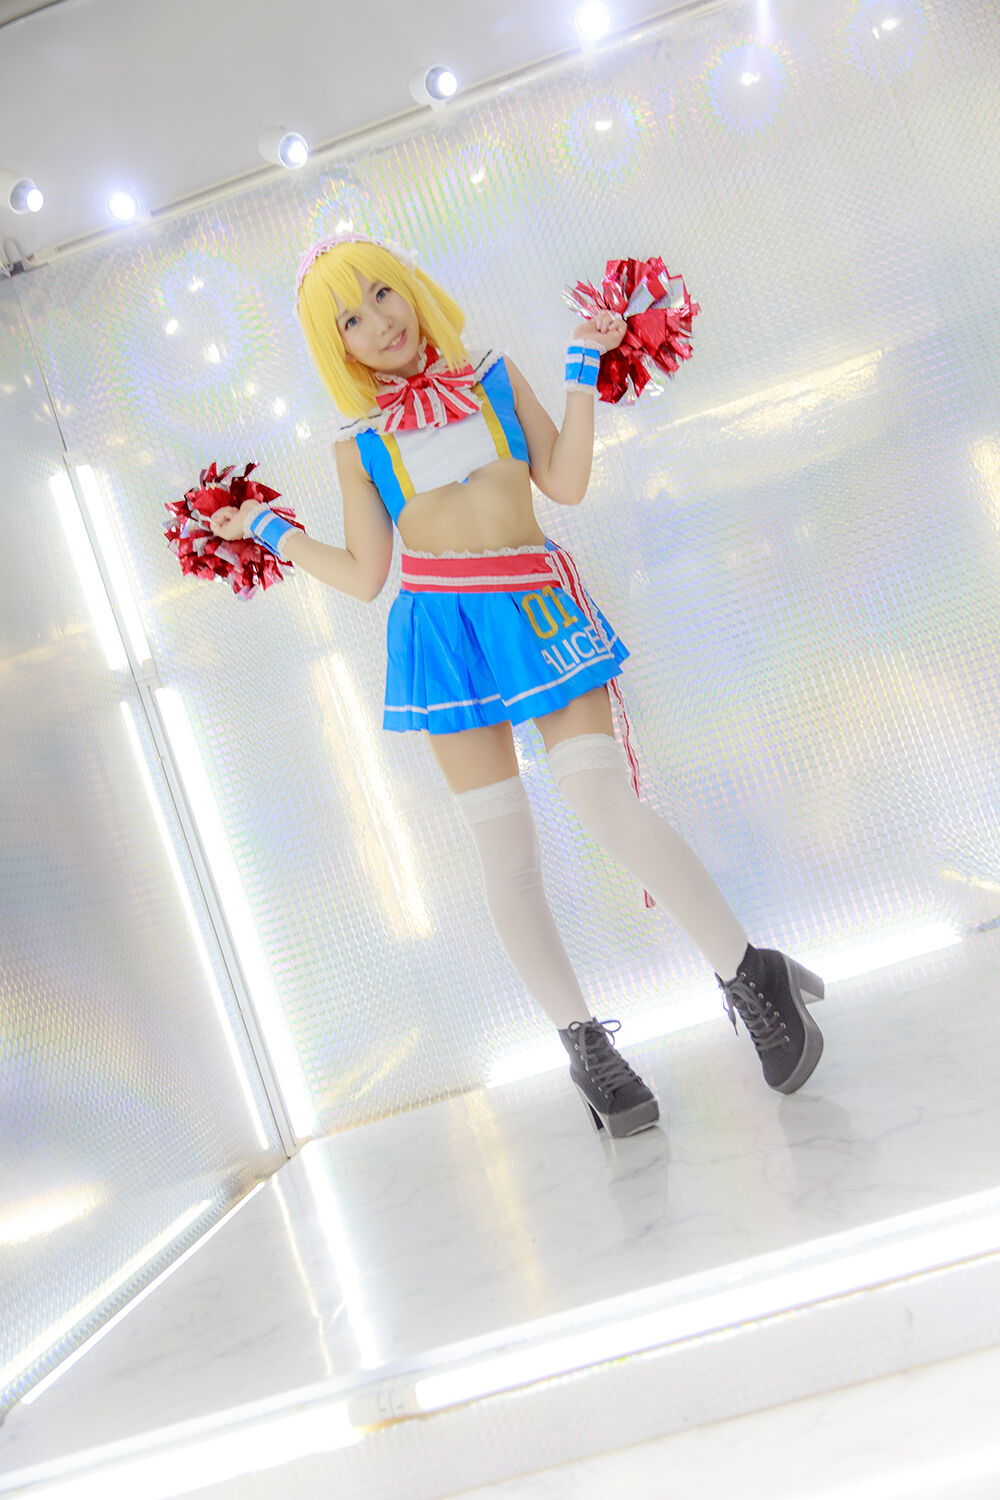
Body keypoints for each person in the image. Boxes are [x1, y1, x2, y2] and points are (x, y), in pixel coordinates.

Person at [208, 232, 825, 1139]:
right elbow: (367, 574)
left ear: (411, 288)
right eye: (349, 319)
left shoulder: (493, 376)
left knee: (601, 799)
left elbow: (565, 481)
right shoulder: (359, 441)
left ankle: (750, 974)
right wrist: (266, 527)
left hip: (535, 605)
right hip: (441, 633)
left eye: (382, 294)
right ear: (336, 347)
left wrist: (582, 366)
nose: (378, 323)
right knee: (505, 851)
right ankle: (587, 1050)